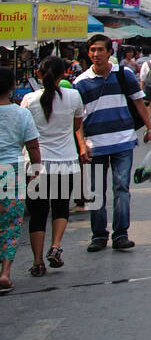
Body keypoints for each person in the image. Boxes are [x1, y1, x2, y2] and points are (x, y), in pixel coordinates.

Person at [75, 33, 151, 253]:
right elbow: (77, 120)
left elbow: (139, 104)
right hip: (95, 145)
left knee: (121, 187)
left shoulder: (124, 75)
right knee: (95, 191)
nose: (95, 54)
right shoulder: (80, 83)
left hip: (123, 141)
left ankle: (121, 234)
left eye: (100, 50)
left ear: (110, 52)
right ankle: (99, 235)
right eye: (92, 50)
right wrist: (82, 145)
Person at [22, 56, 87, 277]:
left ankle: (38, 261)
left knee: (38, 215)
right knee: (60, 208)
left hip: (37, 166)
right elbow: (76, 125)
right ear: (64, 73)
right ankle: (56, 246)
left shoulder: (29, 99)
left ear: (39, 74)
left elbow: (25, 134)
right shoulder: (74, 96)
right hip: (65, 164)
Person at [0, 66, 40, 294]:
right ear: (12, 86)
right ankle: (4, 273)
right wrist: (36, 170)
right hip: (11, 171)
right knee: (10, 224)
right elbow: (33, 147)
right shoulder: (21, 113)